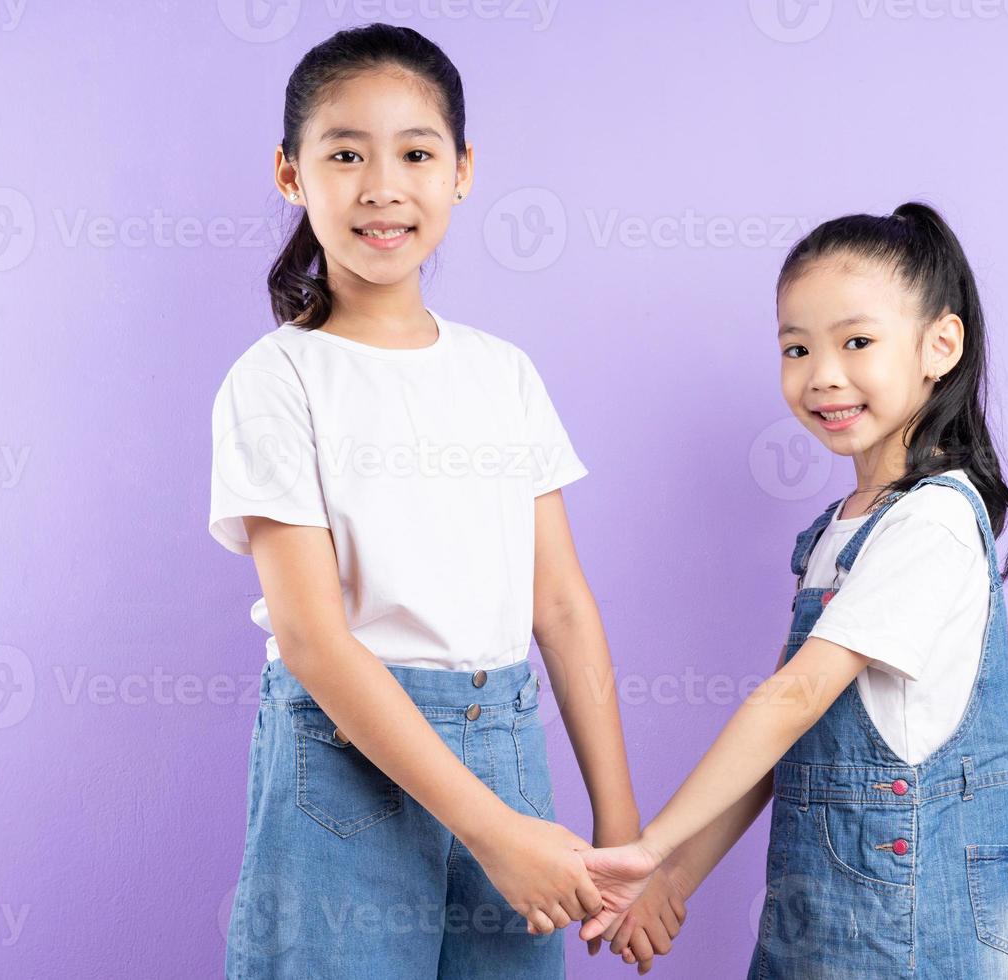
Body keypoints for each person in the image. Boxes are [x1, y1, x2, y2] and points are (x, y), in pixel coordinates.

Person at [208, 24, 639, 978]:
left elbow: (560, 606)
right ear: (291, 174)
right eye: (346, 154)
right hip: (344, 758)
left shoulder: (503, 373)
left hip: (509, 750)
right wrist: (494, 833)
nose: (382, 186)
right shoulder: (277, 379)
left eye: (415, 152)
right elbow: (316, 641)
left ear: (462, 171)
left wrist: (620, 830)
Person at [578, 203, 1008, 978]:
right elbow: (790, 744)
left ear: (938, 346)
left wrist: (647, 845)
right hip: (817, 920)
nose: (823, 374)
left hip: (904, 933)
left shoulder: (933, 524)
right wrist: (673, 877)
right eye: (796, 347)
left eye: (857, 342)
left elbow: (792, 698)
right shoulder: (841, 529)